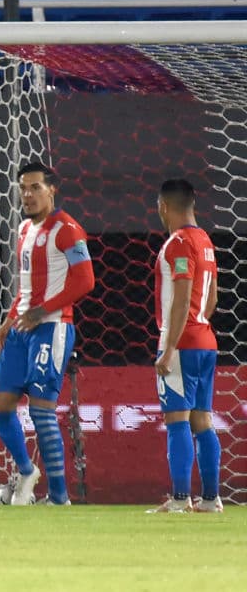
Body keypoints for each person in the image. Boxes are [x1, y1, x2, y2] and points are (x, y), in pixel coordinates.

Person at [0, 161, 95, 506]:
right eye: (23, 188)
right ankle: (25, 470)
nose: (28, 194)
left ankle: (60, 498)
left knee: (41, 411)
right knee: (1, 405)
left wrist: (42, 310)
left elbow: (85, 280)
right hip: (22, 327)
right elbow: (26, 286)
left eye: (35, 187)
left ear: (52, 189)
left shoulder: (68, 229)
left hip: (51, 327)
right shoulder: (24, 229)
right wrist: (9, 319)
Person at [148, 179, 222, 513]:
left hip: (182, 342)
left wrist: (170, 347)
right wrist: (198, 325)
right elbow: (212, 298)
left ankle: (179, 500)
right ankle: (210, 499)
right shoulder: (205, 241)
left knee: (177, 420)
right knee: (202, 420)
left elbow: (181, 299)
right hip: (206, 340)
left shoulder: (178, 243)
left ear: (164, 206)